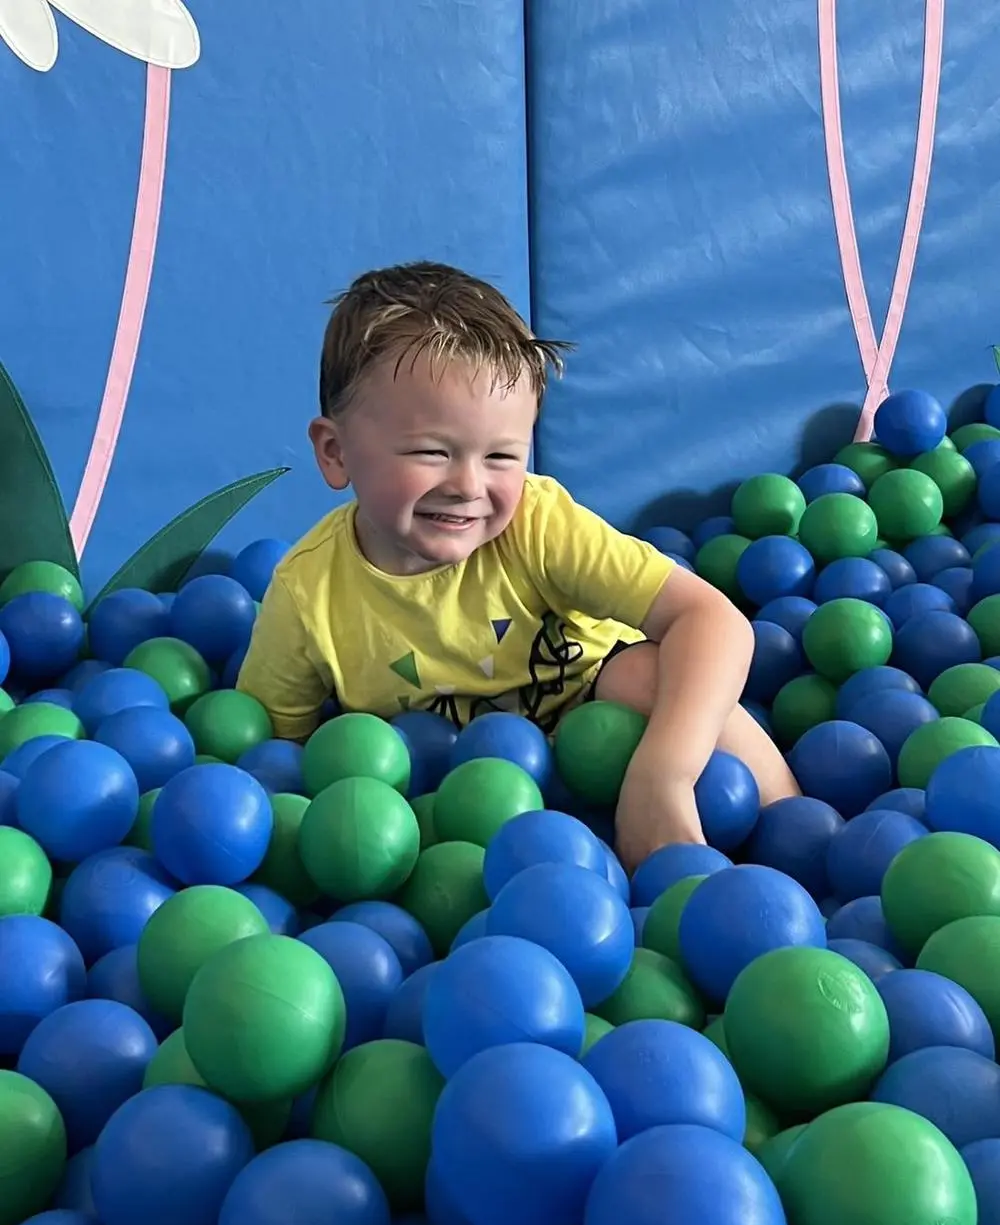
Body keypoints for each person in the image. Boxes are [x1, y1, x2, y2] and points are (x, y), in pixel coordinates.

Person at [237, 260, 800, 872]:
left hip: (604, 726)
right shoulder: (307, 592)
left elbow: (713, 620)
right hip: (450, 812)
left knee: (644, 675)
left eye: (503, 456)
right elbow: (270, 757)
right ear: (335, 451)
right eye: (432, 452)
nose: (468, 485)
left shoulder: (538, 525)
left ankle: (793, 837)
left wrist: (662, 773)